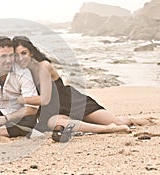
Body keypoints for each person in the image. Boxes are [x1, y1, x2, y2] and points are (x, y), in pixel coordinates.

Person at [12, 36, 147, 137]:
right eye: (16, 55)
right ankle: (107, 129)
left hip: (71, 102)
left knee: (117, 121)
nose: (21, 58)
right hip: (51, 112)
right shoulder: (22, 74)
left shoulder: (43, 66)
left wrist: (21, 99)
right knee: (53, 123)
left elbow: (45, 98)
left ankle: (132, 120)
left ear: (31, 52)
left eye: (24, 53)